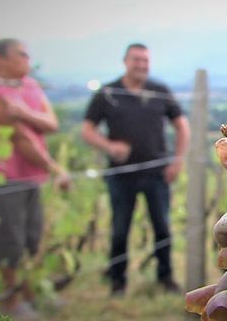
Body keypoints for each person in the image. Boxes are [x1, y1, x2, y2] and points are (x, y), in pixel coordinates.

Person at [81, 43, 190, 296]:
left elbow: (182, 126)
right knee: (120, 229)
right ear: (125, 62)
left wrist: (177, 160)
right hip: (120, 176)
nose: (141, 64)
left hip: (157, 173)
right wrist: (109, 146)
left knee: (162, 227)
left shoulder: (160, 90)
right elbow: (87, 131)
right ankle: (117, 281)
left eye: (145, 60)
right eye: (136, 60)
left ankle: (166, 277)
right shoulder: (108, 93)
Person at [0, 38, 64, 320]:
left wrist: (23, 112)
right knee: (10, 241)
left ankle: (31, 294)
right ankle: (10, 300)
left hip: (33, 177)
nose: (27, 60)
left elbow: (51, 123)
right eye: (21, 55)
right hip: (4, 179)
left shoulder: (29, 86)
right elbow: (21, 139)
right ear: (0, 58)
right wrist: (57, 169)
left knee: (32, 238)